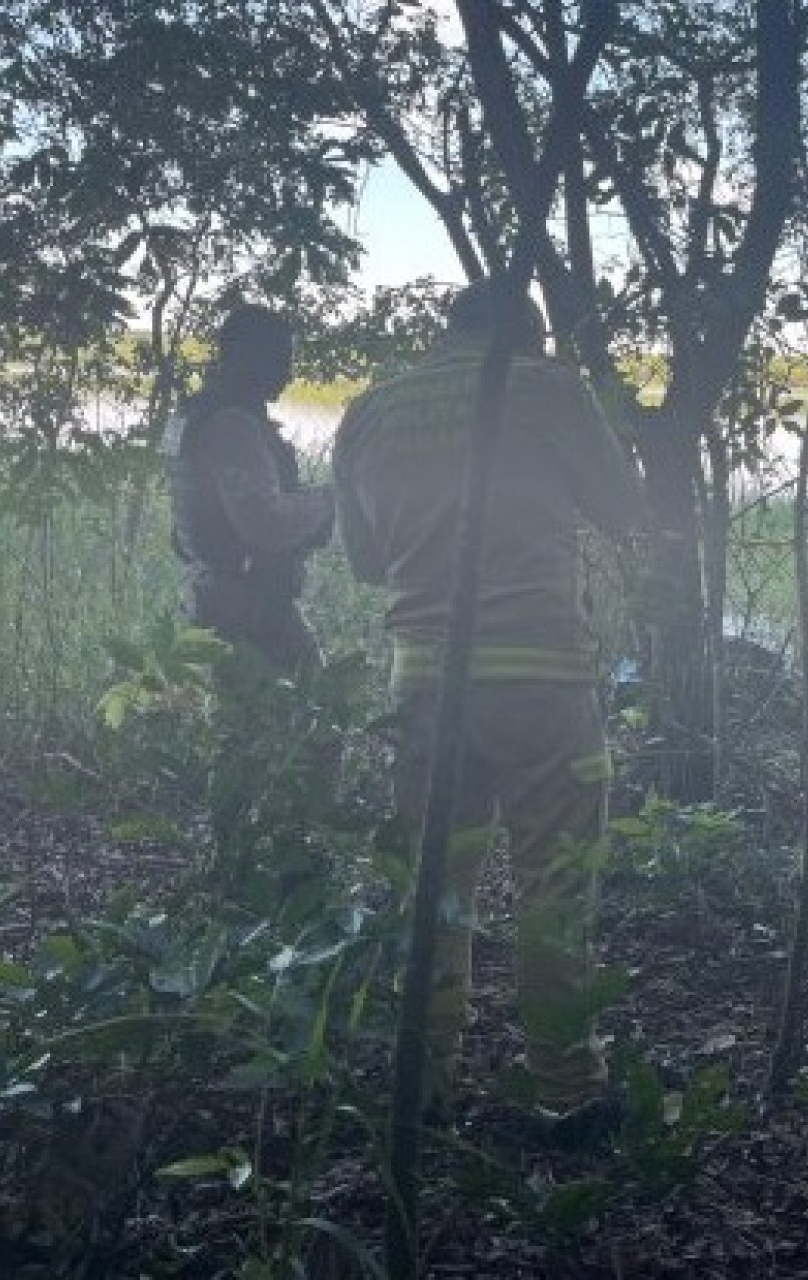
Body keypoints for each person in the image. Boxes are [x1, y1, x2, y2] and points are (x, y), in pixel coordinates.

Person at [331, 279, 646, 1124]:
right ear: (532, 336)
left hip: (424, 684)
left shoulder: (372, 408)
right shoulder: (548, 387)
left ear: (449, 333)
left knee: (436, 886)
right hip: (542, 680)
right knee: (554, 884)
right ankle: (565, 1091)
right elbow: (623, 510)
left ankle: (426, 1085)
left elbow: (364, 561)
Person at [163, 304, 333, 675]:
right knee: (305, 716)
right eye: (279, 358)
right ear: (244, 356)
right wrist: (327, 502)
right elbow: (264, 523)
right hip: (247, 606)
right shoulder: (231, 426)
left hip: (218, 595)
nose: (287, 373)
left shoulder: (198, 415)